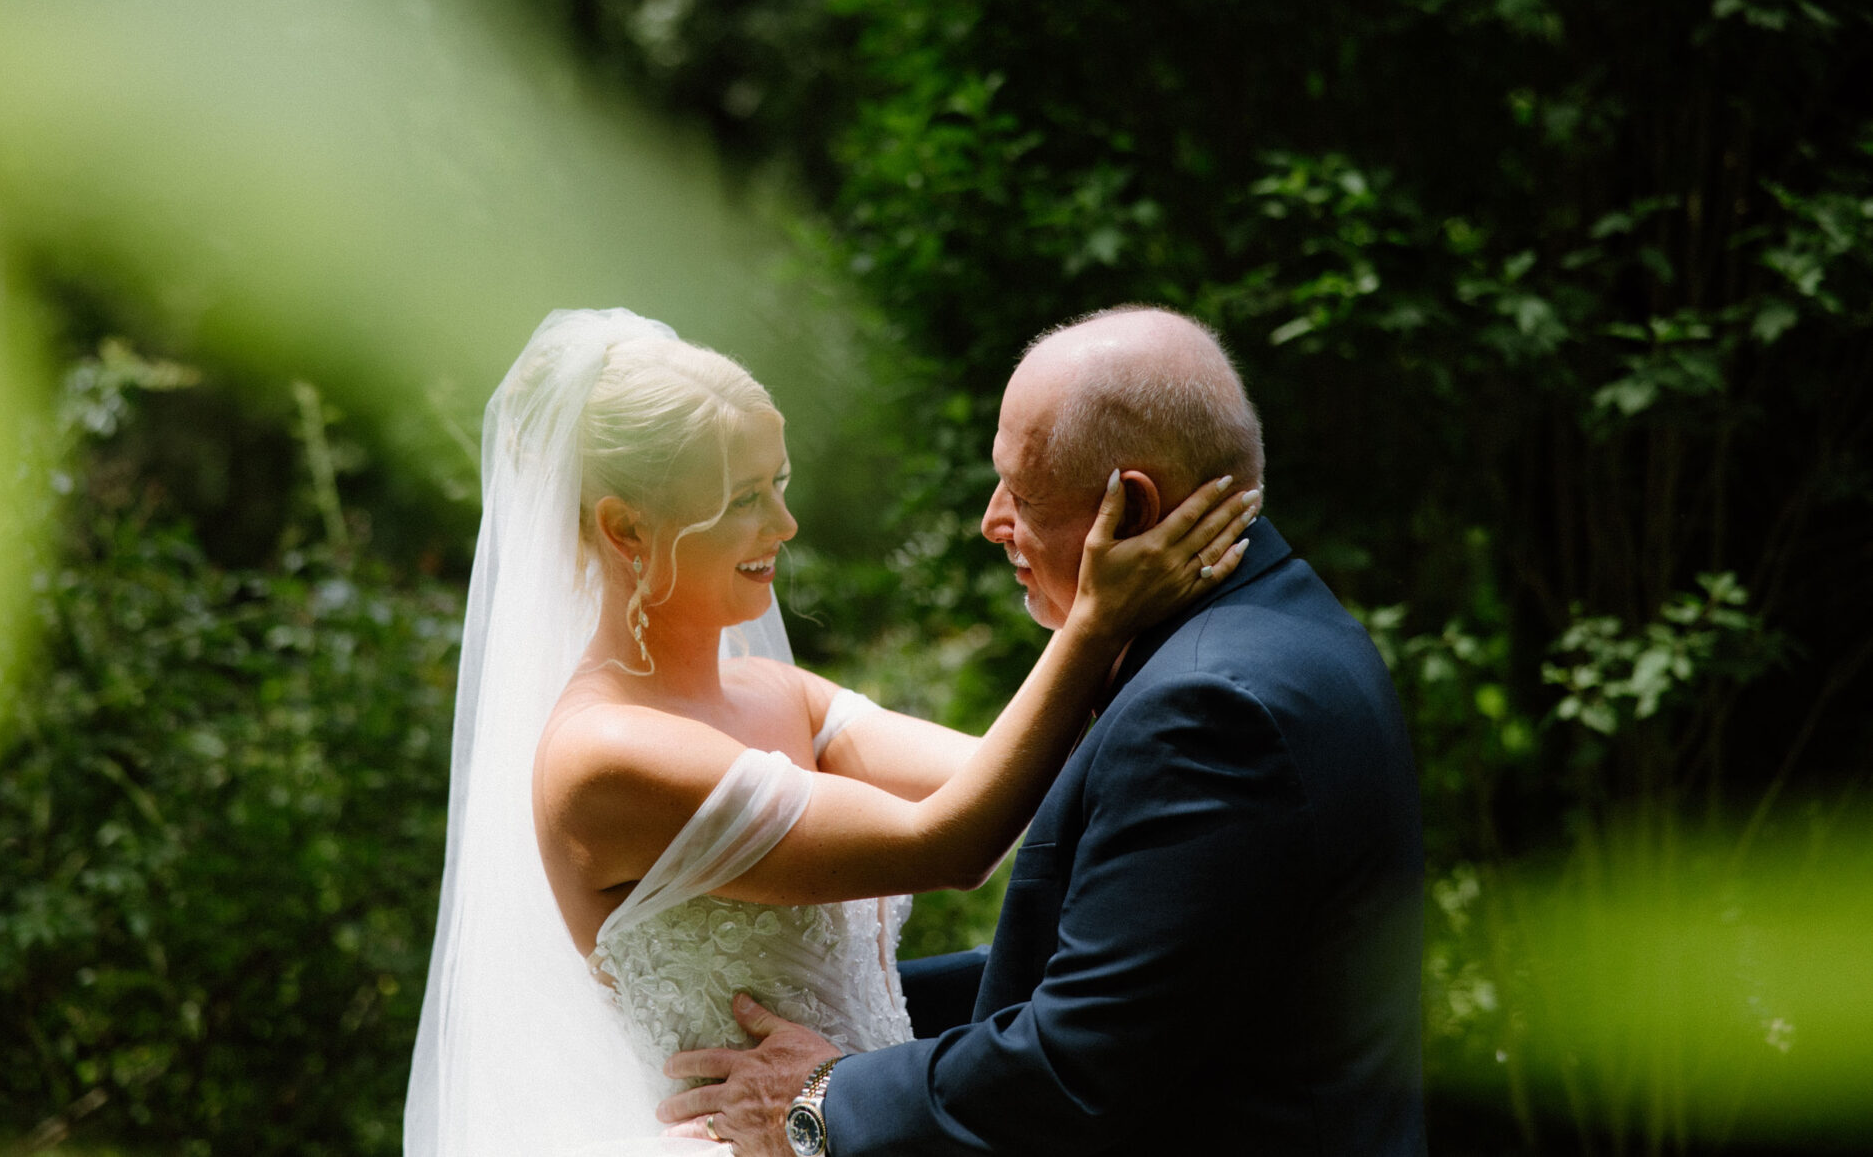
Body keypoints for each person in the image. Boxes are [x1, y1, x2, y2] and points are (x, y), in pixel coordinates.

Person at [402, 308, 1259, 1156]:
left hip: (844, 1132)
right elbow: (951, 842)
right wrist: (1095, 625)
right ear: (627, 528)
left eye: (779, 484)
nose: (784, 525)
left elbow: (1038, 780)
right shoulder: (607, 755)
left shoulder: (782, 693)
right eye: (743, 499)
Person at [660, 305, 1427, 1157]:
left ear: (1129, 509)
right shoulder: (1286, 628)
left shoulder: (1207, 710)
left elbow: (1074, 1070)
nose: (993, 521)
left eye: (1021, 495)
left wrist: (819, 1101)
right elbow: (1127, 967)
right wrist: (848, 1005)